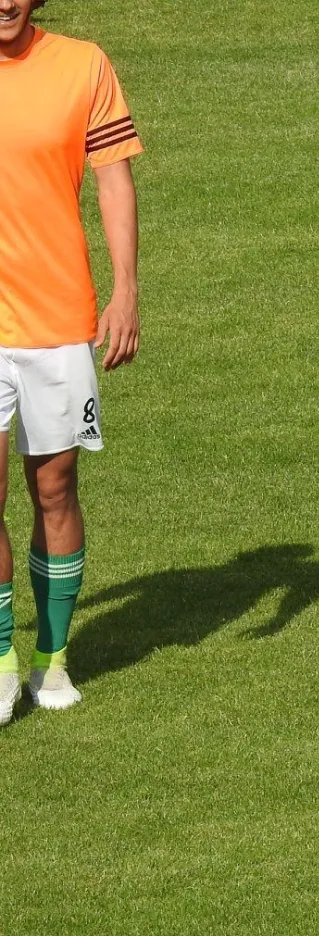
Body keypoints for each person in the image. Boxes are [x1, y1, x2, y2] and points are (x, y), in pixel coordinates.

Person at [0, 0, 142, 722]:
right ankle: (1, 662)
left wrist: (126, 290)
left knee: (54, 490)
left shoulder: (83, 65)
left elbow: (114, 179)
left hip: (57, 322)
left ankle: (51, 661)